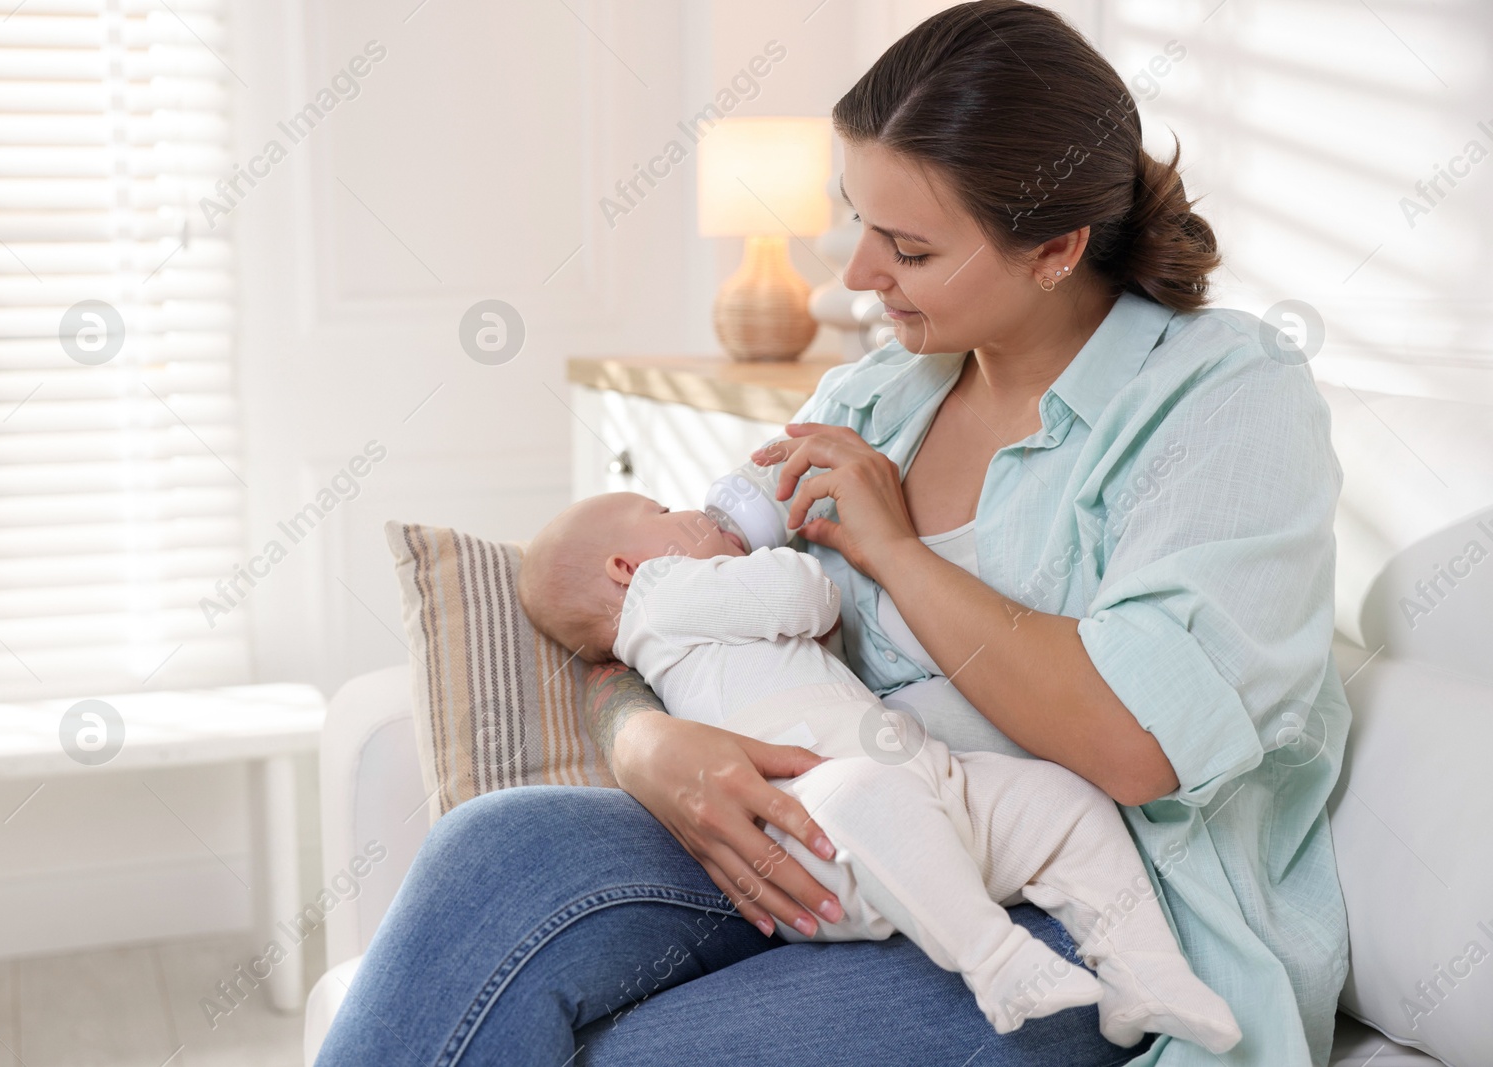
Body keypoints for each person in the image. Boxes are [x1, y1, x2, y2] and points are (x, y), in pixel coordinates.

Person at [316, 2, 1350, 1064]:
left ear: (1054, 249)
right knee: (489, 853)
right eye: (855, 219)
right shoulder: (874, 398)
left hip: (1073, 892)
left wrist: (894, 551)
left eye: (905, 245)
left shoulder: (1221, 397)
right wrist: (646, 740)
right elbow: (651, 595)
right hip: (829, 822)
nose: (857, 274)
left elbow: (1135, 746)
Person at [513, 491, 1243, 1050]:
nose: (690, 509)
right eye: (663, 509)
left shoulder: (679, 604)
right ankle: (996, 961)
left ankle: (1147, 975)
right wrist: (757, 557)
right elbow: (805, 593)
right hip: (821, 835)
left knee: (1063, 798)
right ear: (627, 569)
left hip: (923, 790)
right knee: (864, 789)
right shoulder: (666, 592)